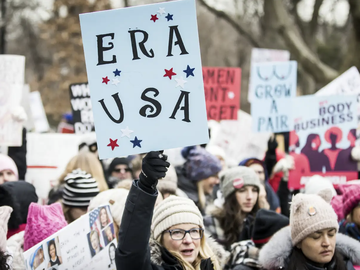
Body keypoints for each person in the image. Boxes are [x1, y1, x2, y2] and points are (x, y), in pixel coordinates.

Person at [116, 151, 226, 270]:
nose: (188, 240)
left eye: (194, 231)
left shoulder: (213, 266)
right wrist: (145, 186)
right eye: (177, 232)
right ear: (160, 239)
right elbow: (131, 254)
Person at [259, 189, 360, 269]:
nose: (326, 243)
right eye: (316, 236)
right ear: (298, 242)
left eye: (331, 234)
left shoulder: (348, 265)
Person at [204, 166, 263, 250]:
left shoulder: (261, 222)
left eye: (254, 190)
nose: (250, 197)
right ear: (230, 196)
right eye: (242, 190)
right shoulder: (211, 222)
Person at [176, 146, 222, 214]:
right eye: (214, 176)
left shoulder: (201, 198)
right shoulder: (182, 200)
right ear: (200, 176)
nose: (217, 181)